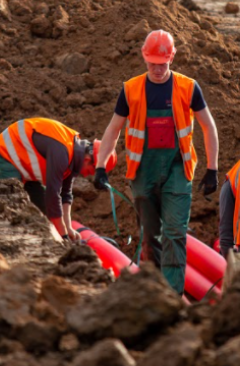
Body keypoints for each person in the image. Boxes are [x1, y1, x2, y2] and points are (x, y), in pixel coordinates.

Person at [92, 30, 220, 294]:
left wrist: (212, 169)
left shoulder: (188, 87)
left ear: (172, 57)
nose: (158, 69)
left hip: (177, 169)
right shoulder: (131, 90)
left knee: (174, 233)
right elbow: (113, 129)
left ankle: (172, 296)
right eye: (152, 63)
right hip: (143, 173)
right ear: (143, 57)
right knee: (150, 237)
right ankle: (151, 293)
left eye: (163, 63)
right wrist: (100, 165)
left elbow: (208, 126)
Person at [0, 117, 115, 243]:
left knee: (42, 208)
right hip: (4, 155)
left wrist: (68, 228)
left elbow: (65, 194)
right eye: (91, 171)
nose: (88, 175)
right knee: (16, 207)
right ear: (88, 160)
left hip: (25, 168)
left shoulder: (74, 156)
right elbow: (53, 194)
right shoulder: (62, 152)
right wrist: (63, 235)